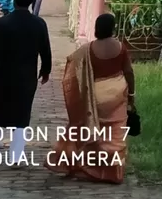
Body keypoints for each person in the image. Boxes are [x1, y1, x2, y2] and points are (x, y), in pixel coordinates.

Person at [47, 13, 135, 184]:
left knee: (92, 130)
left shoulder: (88, 49)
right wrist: (132, 94)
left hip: (96, 94)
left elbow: (72, 62)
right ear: (112, 27)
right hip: (117, 93)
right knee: (115, 133)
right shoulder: (120, 47)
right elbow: (129, 72)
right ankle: (112, 173)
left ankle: (89, 168)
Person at [0, 0, 52, 162]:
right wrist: (45, 70)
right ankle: (16, 155)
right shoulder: (39, 23)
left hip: (2, 76)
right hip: (26, 76)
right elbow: (45, 50)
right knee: (22, 114)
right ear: (30, 2)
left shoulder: (2, 23)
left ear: (14, 0)